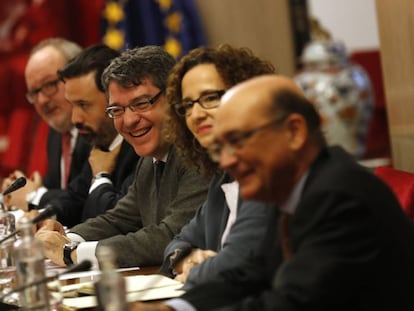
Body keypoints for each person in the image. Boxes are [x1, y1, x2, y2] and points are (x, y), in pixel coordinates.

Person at [132, 75, 414, 310]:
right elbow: (246, 276)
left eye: (238, 141)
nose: (227, 161)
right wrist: (171, 309)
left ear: (294, 132)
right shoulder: (285, 191)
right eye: (220, 147)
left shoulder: (339, 195)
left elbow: (291, 303)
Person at [35, 46, 209, 268]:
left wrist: (74, 253)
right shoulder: (149, 159)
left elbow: (172, 235)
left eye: (141, 103)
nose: (128, 121)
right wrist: (67, 236)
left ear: (173, 97)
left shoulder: (198, 151)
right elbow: (118, 219)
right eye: (116, 110)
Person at [159, 44, 276, 289]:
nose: (196, 114)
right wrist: (188, 258)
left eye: (210, 98)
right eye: (187, 106)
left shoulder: (269, 172)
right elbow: (177, 243)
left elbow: (238, 265)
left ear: (245, 93)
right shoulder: (223, 178)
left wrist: (196, 272)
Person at [47, 44, 139, 227]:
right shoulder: (99, 142)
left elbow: (115, 222)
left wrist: (101, 175)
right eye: (72, 105)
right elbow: (75, 199)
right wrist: (41, 218)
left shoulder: (140, 146)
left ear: (113, 99)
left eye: (83, 105)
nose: (75, 118)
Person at [1, 38, 90, 210]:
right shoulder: (57, 133)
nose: (42, 100)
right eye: (34, 92)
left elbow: (87, 200)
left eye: (50, 84)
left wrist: (33, 195)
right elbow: (56, 189)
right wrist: (19, 190)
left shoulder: (98, 128)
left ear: (78, 76)